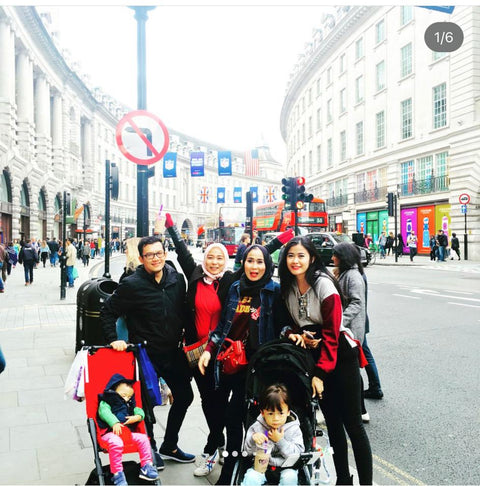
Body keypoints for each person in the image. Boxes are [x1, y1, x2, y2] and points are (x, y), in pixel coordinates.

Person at [165, 213, 293, 479]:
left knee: (233, 414)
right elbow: (182, 253)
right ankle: (217, 448)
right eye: (210, 257)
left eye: (219, 258)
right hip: (205, 354)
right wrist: (172, 229)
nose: (214, 262)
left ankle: (227, 458)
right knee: (212, 406)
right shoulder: (206, 278)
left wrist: (282, 239)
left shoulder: (234, 282)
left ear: (227, 261)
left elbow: (258, 258)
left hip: (239, 360)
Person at [278, 236, 372, 486]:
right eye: (290, 256)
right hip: (316, 358)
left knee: (353, 425)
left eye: (301, 256)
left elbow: (331, 333)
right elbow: (288, 324)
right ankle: (343, 480)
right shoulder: (287, 287)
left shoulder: (324, 284)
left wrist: (320, 374)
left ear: (311, 258)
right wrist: (295, 334)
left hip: (340, 356)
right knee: (333, 424)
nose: (295, 261)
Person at [198, 244, 289, 485]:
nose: (254, 266)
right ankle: (229, 461)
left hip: (255, 368)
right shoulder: (236, 288)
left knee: (237, 416)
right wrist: (208, 350)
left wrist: (293, 335)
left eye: (260, 262)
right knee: (221, 413)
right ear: (243, 263)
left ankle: (232, 472)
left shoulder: (274, 292)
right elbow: (223, 327)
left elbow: (283, 326)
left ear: (267, 265)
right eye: (250, 261)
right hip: (228, 362)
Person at [101, 235, 196, 465]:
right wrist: (114, 339)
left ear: (165, 253)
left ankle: (170, 445)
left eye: (159, 253)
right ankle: (150, 449)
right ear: (142, 258)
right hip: (145, 355)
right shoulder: (132, 284)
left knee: (185, 396)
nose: (155, 258)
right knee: (145, 405)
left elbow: (184, 311)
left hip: (173, 353)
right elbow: (108, 312)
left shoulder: (176, 279)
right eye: (149, 255)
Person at [97, 373, 159, 485]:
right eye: (123, 395)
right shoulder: (107, 400)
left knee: (144, 439)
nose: (126, 398)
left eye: (129, 397)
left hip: (126, 433)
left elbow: (138, 409)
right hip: (109, 433)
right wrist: (114, 422)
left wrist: (138, 416)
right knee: (116, 443)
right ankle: (118, 475)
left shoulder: (130, 403)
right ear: (114, 390)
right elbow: (104, 412)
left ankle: (147, 467)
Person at [241, 383, 304, 486]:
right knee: (251, 477)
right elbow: (247, 452)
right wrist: (253, 439)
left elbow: (298, 454)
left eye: (281, 413)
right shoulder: (257, 427)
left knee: (290, 478)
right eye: (270, 413)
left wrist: (280, 441)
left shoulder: (293, 428)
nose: (276, 418)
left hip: (286, 466)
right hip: (261, 465)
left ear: (288, 412)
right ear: (262, 413)